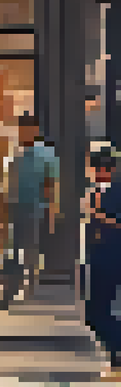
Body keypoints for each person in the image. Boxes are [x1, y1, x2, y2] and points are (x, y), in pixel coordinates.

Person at [0, 113, 60, 309]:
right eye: (21, 129)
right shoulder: (13, 153)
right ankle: (8, 292)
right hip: (14, 206)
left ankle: (28, 287)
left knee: (30, 249)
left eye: (28, 129)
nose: (24, 133)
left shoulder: (46, 153)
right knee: (11, 251)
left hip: (35, 207)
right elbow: (6, 183)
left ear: (36, 131)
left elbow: (51, 185)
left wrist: (52, 213)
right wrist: (1, 211)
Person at [82, 148, 121, 372]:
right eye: (96, 168)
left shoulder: (117, 192)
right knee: (92, 313)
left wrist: (98, 215)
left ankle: (116, 350)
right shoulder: (92, 191)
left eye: (105, 168)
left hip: (114, 256)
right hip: (94, 257)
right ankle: (115, 352)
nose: (100, 172)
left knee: (99, 311)